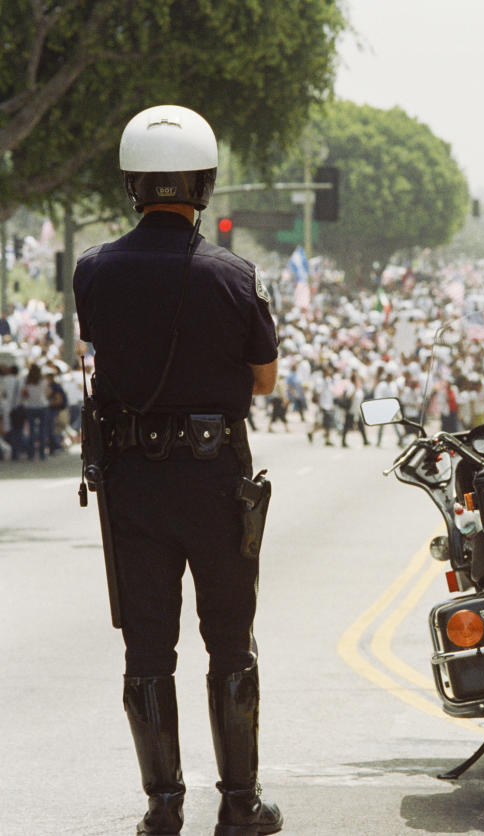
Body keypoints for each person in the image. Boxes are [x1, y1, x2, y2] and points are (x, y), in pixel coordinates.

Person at [72, 105, 282, 836]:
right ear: (204, 183)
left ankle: (163, 808)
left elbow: (105, 349)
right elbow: (265, 380)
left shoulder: (92, 270)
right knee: (230, 640)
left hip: (133, 483)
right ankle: (240, 805)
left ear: (134, 185)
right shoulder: (235, 275)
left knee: (148, 648)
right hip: (213, 478)